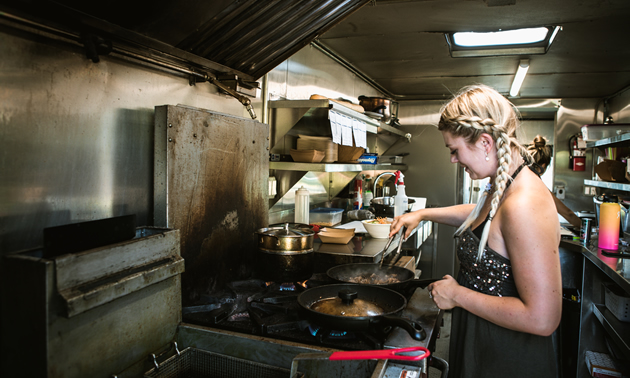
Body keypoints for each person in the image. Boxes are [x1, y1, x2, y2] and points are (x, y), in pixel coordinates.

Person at [389, 85, 562, 378]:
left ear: (484, 142)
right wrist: (421, 214)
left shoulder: (524, 205)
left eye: (454, 150)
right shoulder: (504, 182)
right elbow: (481, 217)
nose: (453, 159)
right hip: (482, 345)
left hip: (508, 360)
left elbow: (543, 318)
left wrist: (458, 295)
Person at [527, 135, 582, 228]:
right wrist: (585, 228)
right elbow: (568, 214)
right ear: (544, 165)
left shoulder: (519, 181)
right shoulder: (538, 186)